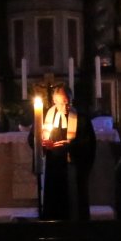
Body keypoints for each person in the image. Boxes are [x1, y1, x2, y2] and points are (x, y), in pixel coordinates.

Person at [34, 83, 85, 220]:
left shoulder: (81, 119)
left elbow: (87, 143)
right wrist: (42, 143)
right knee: (53, 204)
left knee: (71, 206)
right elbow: (33, 139)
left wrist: (70, 146)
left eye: (69, 101)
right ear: (54, 101)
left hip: (70, 167)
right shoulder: (46, 116)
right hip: (52, 168)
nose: (66, 105)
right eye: (62, 102)